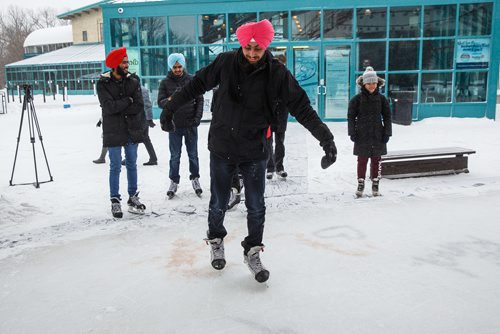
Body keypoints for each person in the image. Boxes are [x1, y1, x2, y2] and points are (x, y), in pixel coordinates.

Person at [160, 19, 337, 283]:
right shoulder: (225, 62)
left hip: (255, 150)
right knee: (218, 202)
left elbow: (302, 107)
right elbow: (196, 85)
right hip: (222, 146)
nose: (253, 53)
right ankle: (216, 239)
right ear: (243, 44)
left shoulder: (277, 73)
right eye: (249, 48)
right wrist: (170, 107)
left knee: (256, 206)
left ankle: (252, 250)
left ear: (266, 47)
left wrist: (326, 139)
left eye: (258, 49)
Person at [96, 47, 147, 218]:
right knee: (115, 166)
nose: (127, 65)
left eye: (127, 62)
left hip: (132, 129)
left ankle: (133, 197)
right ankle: (115, 200)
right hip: (113, 131)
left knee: (132, 164)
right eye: (124, 62)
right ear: (115, 65)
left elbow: (139, 105)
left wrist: (121, 105)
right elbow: (108, 107)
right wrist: (127, 100)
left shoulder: (133, 81)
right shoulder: (102, 83)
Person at [158, 53, 204, 199]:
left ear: (183, 66)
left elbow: (200, 100)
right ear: (171, 67)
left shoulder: (191, 80)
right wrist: (171, 98)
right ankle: (174, 181)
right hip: (174, 125)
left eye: (179, 66)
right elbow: (160, 102)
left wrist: (197, 118)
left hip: (190, 124)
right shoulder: (165, 83)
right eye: (175, 67)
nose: (177, 69)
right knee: (175, 156)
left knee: (193, 155)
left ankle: (195, 178)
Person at [347, 66, 392, 197]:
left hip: (378, 134)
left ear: (377, 83)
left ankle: (375, 183)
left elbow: (387, 116)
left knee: (376, 160)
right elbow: (351, 116)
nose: (372, 85)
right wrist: (352, 132)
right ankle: (360, 183)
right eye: (369, 83)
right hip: (362, 135)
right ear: (364, 84)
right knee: (362, 160)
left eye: (374, 83)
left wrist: (387, 133)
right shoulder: (357, 99)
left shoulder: (382, 99)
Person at [120, 80, 158, 166]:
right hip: (141, 118)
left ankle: (131, 158)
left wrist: (149, 119)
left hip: (141, 118)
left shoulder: (141, 90)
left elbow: (147, 105)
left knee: (136, 137)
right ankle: (152, 158)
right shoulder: (137, 90)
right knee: (144, 139)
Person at [266, 54, 289, 180]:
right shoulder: (267, 77)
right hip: (269, 115)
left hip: (281, 114)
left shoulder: (286, 77)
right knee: (268, 143)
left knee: (280, 142)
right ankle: (269, 168)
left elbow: (291, 95)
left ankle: (279, 167)